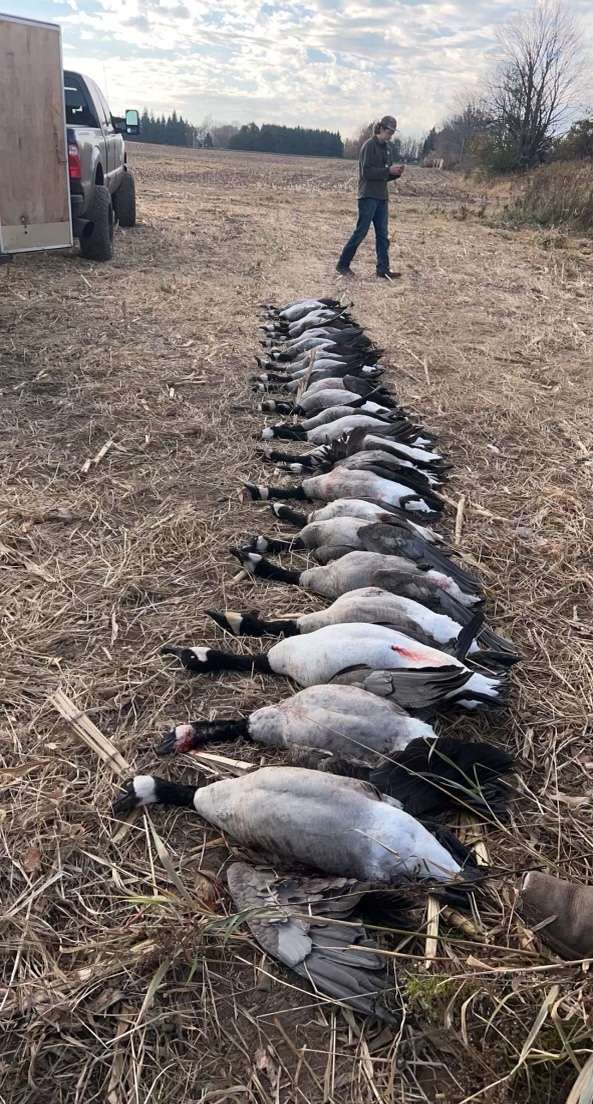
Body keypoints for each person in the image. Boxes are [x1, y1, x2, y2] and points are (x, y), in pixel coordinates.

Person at [336, 115, 404, 280]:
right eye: (389, 131)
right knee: (361, 232)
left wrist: (395, 174)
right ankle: (343, 265)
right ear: (380, 128)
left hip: (382, 197)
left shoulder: (387, 148)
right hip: (367, 196)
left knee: (383, 235)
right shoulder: (369, 146)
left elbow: (383, 176)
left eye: (393, 132)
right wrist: (388, 171)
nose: (391, 135)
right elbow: (366, 173)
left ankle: (383, 269)